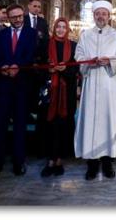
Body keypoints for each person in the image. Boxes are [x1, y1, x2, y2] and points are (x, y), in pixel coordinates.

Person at [74, 0, 116, 180]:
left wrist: (109, 61)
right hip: (90, 85)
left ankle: (107, 162)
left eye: (104, 13)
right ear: (94, 15)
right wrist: (89, 61)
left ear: (109, 16)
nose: (101, 16)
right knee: (90, 122)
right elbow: (78, 56)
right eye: (98, 14)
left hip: (109, 85)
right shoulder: (85, 35)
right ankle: (92, 164)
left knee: (108, 122)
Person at [0, 3, 37, 178]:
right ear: (7, 18)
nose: (17, 19)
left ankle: (18, 162)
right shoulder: (0, 35)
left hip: (22, 86)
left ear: (23, 15)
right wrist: (3, 66)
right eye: (13, 16)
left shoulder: (32, 34)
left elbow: (31, 54)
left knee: (19, 127)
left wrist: (19, 66)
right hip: (3, 86)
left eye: (19, 16)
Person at [40, 18, 78, 177]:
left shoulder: (74, 46)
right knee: (49, 125)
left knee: (63, 124)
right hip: (49, 91)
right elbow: (37, 66)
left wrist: (63, 70)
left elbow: (76, 69)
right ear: (54, 28)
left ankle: (60, 159)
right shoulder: (45, 45)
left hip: (67, 92)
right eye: (58, 27)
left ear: (67, 29)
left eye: (64, 27)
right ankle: (50, 159)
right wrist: (49, 69)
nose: (61, 30)